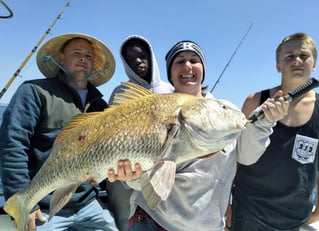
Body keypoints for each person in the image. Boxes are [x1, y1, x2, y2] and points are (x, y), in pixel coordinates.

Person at [107, 40, 289, 231]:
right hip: (151, 220)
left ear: (203, 69)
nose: (187, 65)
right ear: (170, 73)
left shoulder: (226, 109)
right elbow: (141, 182)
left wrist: (265, 122)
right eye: (179, 61)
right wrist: (130, 177)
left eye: (194, 60)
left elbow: (247, 156)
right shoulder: (153, 113)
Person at [0, 33, 118, 231]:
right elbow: (12, 144)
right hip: (42, 209)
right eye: (77, 53)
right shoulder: (34, 91)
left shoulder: (100, 105)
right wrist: (23, 201)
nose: (83, 58)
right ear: (61, 58)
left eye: (89, 56)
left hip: (89, 204)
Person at [230, 32, 319, 231]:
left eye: (304, 55)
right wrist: (226, 206)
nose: (296, 60)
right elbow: (234, 158)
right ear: (278, 65)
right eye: (289, 57)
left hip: (295, 218)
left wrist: (317, 212)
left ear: (314, 63)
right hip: (247, 211)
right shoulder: (255, 101)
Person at [107, 35, 174, 231]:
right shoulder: (120, 92)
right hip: (126, 173)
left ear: (151, 56)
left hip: (162, 174)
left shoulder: (171, 91)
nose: (137, 61)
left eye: (141, 55)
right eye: (130, 58)